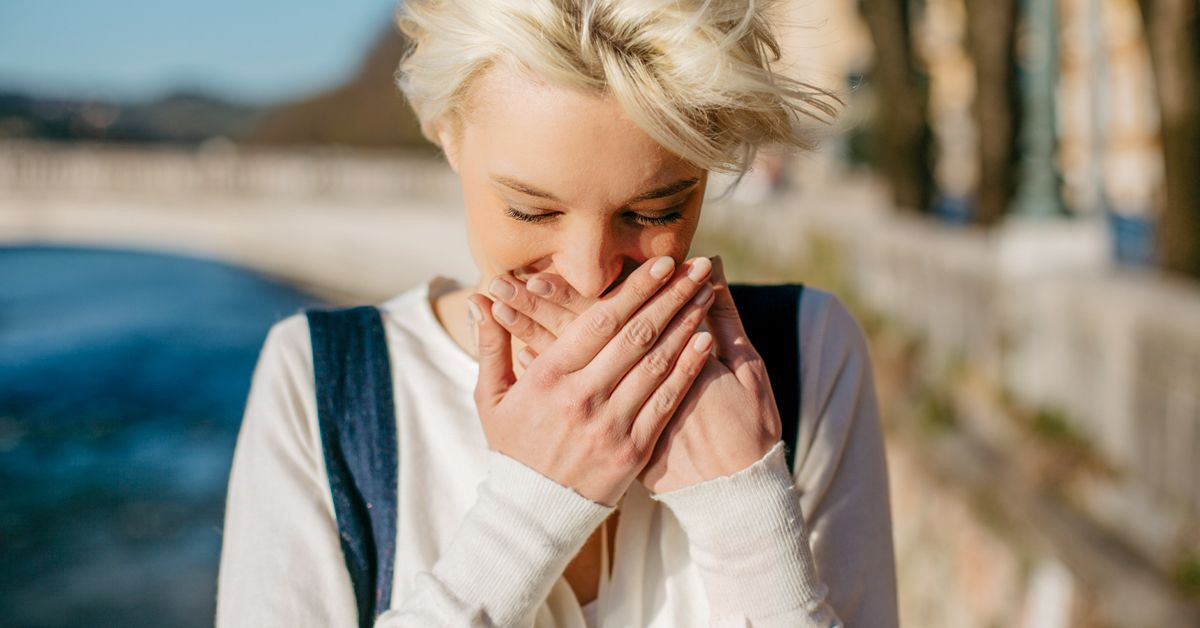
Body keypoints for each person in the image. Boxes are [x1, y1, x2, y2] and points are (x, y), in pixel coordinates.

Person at [215, 0, 898, 626]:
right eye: (531, 210)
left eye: (655, 211)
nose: (589, 271)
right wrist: (531, 510)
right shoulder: (324, 384)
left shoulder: (807, 355)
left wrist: (746, 514)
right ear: (446, 132)